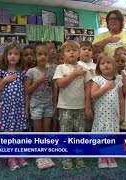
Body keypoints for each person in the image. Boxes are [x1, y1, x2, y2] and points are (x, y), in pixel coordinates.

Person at [53, 40, 93, 169]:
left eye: (74, 50)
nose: (71, 52)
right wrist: (74, 74)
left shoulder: (84, 69)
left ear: (78, 54)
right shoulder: (61, 68)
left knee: (79, 133)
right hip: (65, 107)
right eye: (68, 50)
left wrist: (87, 107)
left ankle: (79, 156)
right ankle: (67, 157)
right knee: (66, 133)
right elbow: (60, 84)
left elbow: (88, 89)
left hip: (80, 107)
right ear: (63, 55)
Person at [0, 42, 29, 171]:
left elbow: (26, 92)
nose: (13, 56)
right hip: (6, 109)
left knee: (18, 133)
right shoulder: (1, 72)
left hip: (19, 108)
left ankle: (19, 155)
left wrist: (26, 108)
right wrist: (4, 81)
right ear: (5, 56)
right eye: (10, 54)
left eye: (16, 54)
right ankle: (11, 158)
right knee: (8, 134)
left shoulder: (22, 73)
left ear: (20, 56)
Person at [91, 53, 124, 168]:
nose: (106, 65)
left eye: (108, 63)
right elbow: (93, 95)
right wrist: (105, 87)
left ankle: (111, 154)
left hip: (114, 115)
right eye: (102, 63)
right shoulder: (97, 79)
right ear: (99, 66)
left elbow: (121, 98)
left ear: (114, 65)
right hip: (101, 114)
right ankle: (102, 156)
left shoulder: (119, 80)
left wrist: (122, 113)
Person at [25, 43, 55, 169]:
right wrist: (38, 82)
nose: (43, 57)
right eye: (39, 54)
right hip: (36, 105)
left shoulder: (51, 71)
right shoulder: (31, 71)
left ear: (48, 56)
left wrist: (54, 104)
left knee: (46, 130)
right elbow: (27, 90)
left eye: (45, 54)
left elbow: (53, 89)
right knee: (38, 131)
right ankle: (39, 155)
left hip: (48, 104)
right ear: (35, 57)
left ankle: (45, 152)